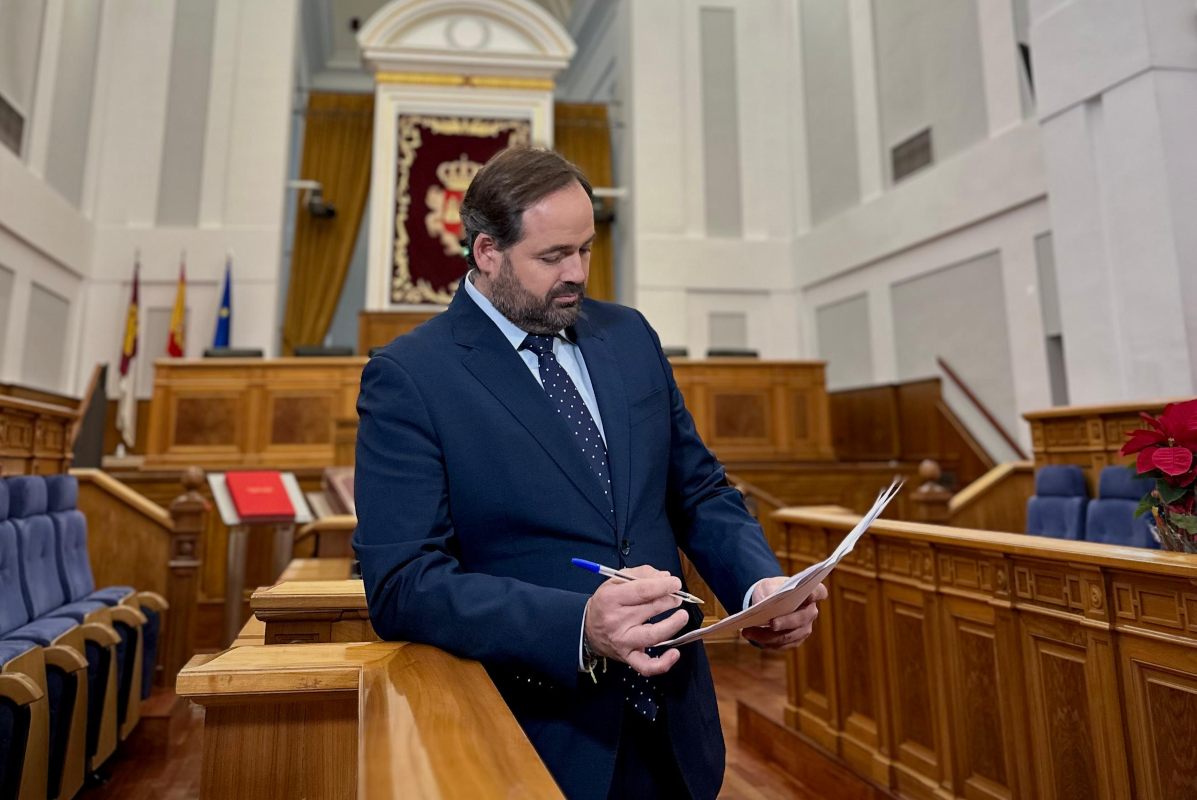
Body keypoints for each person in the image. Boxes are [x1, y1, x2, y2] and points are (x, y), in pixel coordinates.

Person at [353, 146, 827, 800]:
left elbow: (697, 491)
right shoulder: (411, 375)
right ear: (487, 251)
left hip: (674, 728)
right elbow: (403, 584)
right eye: (552, 257)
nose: (575, 273)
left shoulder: (627, 334)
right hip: (536, 731)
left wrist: (757, 589)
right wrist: (578, 626)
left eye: (585, 249)